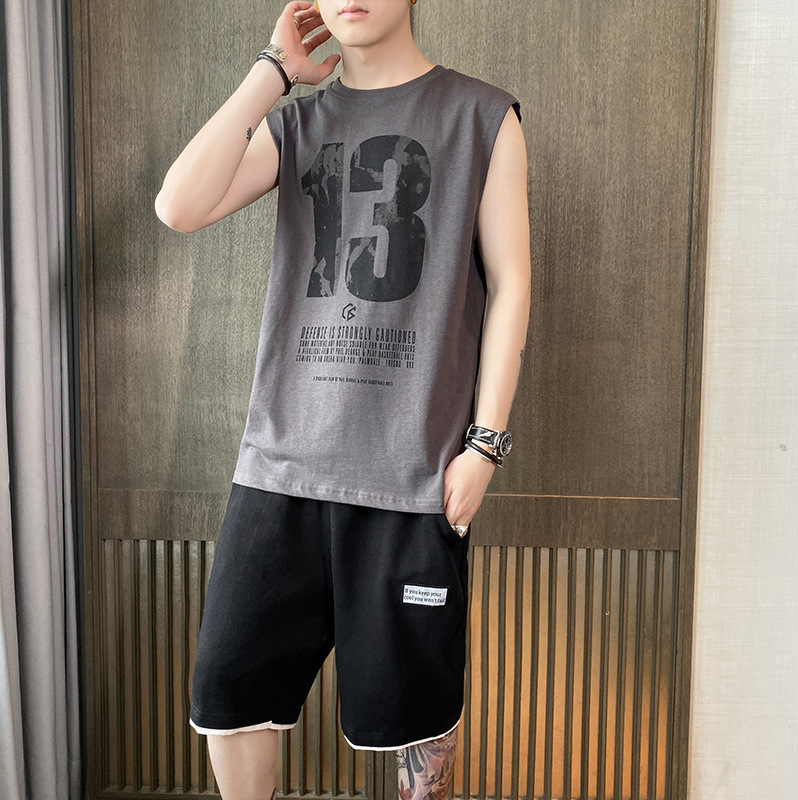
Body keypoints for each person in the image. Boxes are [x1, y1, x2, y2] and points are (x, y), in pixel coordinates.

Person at [155, 0, 530, 797]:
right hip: (280, 468)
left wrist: (485, 445)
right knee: (229, 696)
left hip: (411, 477)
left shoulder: (482, 117)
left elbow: (511, 286)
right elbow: (178, 206)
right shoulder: (296, 125)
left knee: (414, 717)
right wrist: (274, 73)